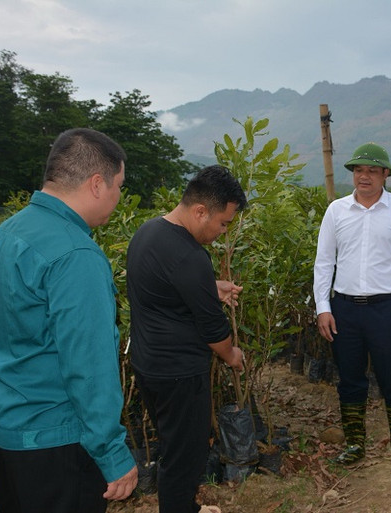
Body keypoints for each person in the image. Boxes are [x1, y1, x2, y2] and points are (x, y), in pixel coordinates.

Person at [0, 128, 138, 513]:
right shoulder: (75, 254)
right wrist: (112, 452)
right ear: (97, 184)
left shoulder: (6, 233)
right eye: (119, 185)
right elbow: (89, 364)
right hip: (55, 439)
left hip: (4, 428)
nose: (119, 197)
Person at [127, 165, 247, 513]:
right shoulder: (191, 257)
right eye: (223, 223)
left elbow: (163, 289)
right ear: (199, 211)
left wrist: (209, 288)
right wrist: (232, 355)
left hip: (149, 367)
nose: (222, 232)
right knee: (185, 460)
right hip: (179, 375)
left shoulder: (148, 233)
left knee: (172, 449)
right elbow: (214, 332)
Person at [313, 142, 391, 475]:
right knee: (349, 379)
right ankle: (354, 445)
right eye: (359, 170)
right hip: (344, 309)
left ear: (385, 174)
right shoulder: (336, 211)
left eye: (372, 171)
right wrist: (322, 306)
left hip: (388, 308)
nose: (364, 177)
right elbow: (324, 262)